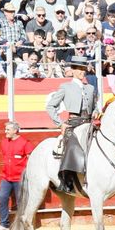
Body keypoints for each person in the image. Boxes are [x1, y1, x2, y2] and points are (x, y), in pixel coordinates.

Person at [46, 55, 97, 195]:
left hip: (89, 123)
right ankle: (66, 180)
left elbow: (95, 106)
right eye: (79, 68)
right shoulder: (65, 87)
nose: (82, 71)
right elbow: (50, 106)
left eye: (83, 68)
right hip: (73, 124)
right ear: (73, 70)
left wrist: (96, 111)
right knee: (72, 147)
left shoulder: (90, 88)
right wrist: (60, 124)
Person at [0, 119, 32, 230]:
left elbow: (30, 159)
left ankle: (23, 225)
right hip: (6, 177)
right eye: (5, 129)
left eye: (8, 129)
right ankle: (4, 225)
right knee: (2, 198)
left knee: (21, 202)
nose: (5, 131)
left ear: (15, 131)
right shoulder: (4, 142)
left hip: (19, 178)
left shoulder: (25, 142)